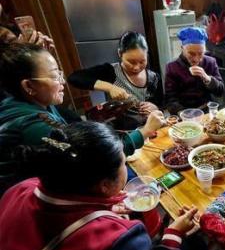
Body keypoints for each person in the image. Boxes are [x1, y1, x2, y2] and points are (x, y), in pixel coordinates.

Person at [0, 121, 208, 250]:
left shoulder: (18, 190)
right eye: (123, 163)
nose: (125, 166)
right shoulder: (113, 239)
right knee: (195, 247)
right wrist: (173, 233)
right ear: (105, 185)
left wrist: (102, 209)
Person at [0, 43, 165, 195]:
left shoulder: (36, 103)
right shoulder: (33, 125)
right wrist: (145, 131)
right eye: (54, 76)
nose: (62, 80)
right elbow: (97, 160)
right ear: (29, 86)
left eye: (59, 73)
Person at [67, 31, 163, 127]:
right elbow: (74, 77)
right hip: (123, 132)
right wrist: (110, 88)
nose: (136, 67)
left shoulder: (153, 78)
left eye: (142, 61)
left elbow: (162, 105)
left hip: (150, 130)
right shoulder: (110, 71)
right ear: (120, 54)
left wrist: (155, 107)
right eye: (131, 62)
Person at [164, 26, 224, 114]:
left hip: (206, 110)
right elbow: (170, 100)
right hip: (184, 112)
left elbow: (220, 91)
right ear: (182, 49)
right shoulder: (172, 67)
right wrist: (185, 114)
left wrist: (207, 79)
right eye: (191, 54)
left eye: (201, 54)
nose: (196, 59)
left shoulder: (210, 62)